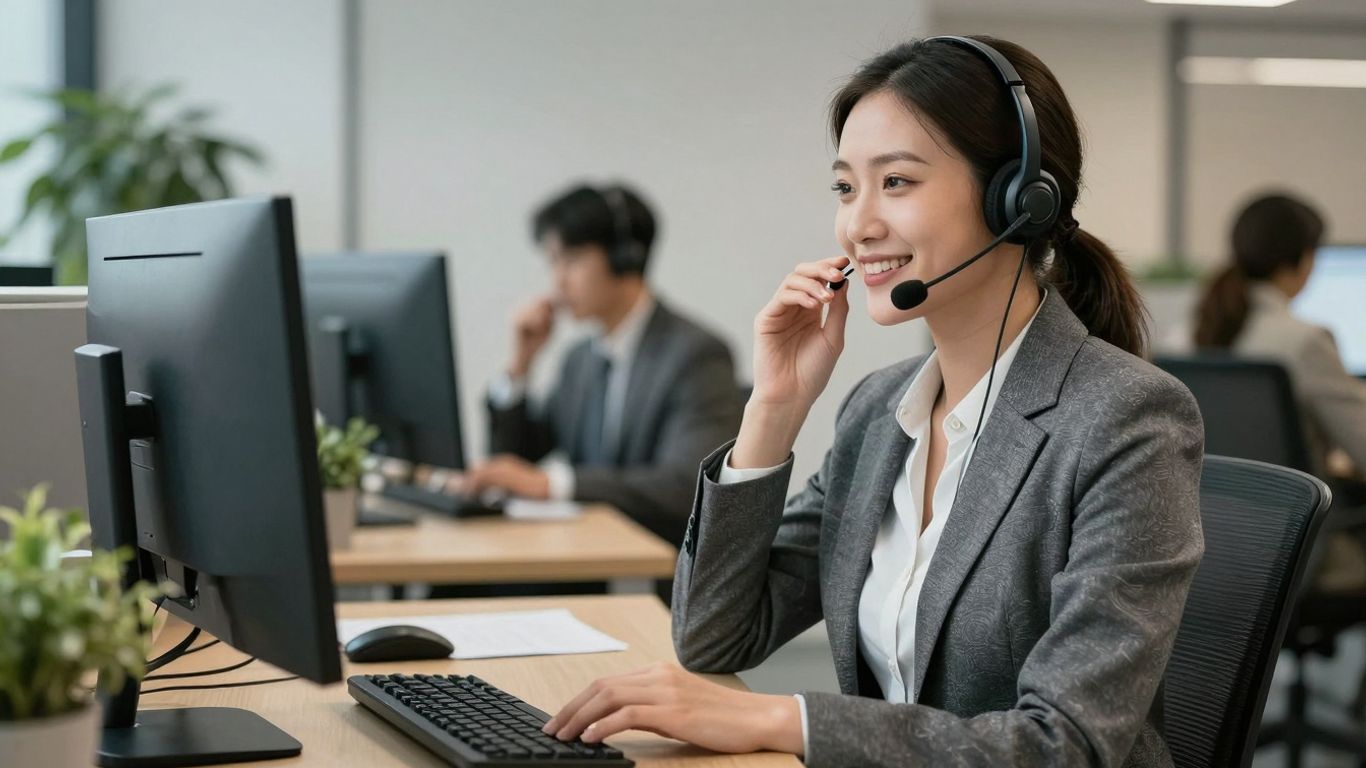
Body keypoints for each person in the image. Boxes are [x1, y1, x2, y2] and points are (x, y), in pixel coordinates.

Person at [540, 36, 1206, 766]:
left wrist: (784, 721)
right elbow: (712, 638)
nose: (858, 226)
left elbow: (1064, 745)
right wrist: (773, 409)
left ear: (1017, 198)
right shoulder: (879, 412)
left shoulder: (1127, 419)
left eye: (896, 182)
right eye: (845, 189)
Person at [465, 183, 742, 549]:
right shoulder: (580, 359)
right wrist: (520, 365)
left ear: (623, 256)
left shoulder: (696, 354)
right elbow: (514, 462)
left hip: (656, 563)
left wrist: (554, 485)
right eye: (553, 263)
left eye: (571, 259)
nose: (557, 281)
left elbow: (686, 485)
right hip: (586, 552)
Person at [1193, 192, 1366, 481]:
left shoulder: (1192, 332)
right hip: (1297, 509)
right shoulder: (1306, 341)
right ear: (1304, 258)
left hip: (1216, 506)